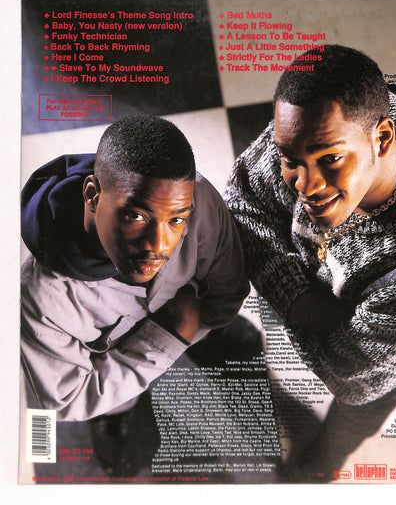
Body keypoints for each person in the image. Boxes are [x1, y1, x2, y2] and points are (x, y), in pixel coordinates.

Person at [224, 45, 396, 479]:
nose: (305, 186)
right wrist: (297, 298)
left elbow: (347, 376)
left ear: (382, 139)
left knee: (347, 427)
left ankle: (316, 473)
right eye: (289, 160)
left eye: (329, 161)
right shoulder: (323, 124)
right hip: (338, 295)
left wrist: (281, 284)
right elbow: (241, 200)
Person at [21, 114, 250, 426]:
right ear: (92, 196)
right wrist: (170, 337)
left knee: (227, 341)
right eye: (136, 216)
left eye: (176, 220)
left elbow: (229, 290)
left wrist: (203, 325)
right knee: (116, 412)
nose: (158, 245)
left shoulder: (195, 196)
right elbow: (69, 398)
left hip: (197, 328)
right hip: (114, 385)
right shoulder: (39, 299)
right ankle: (117, 423)